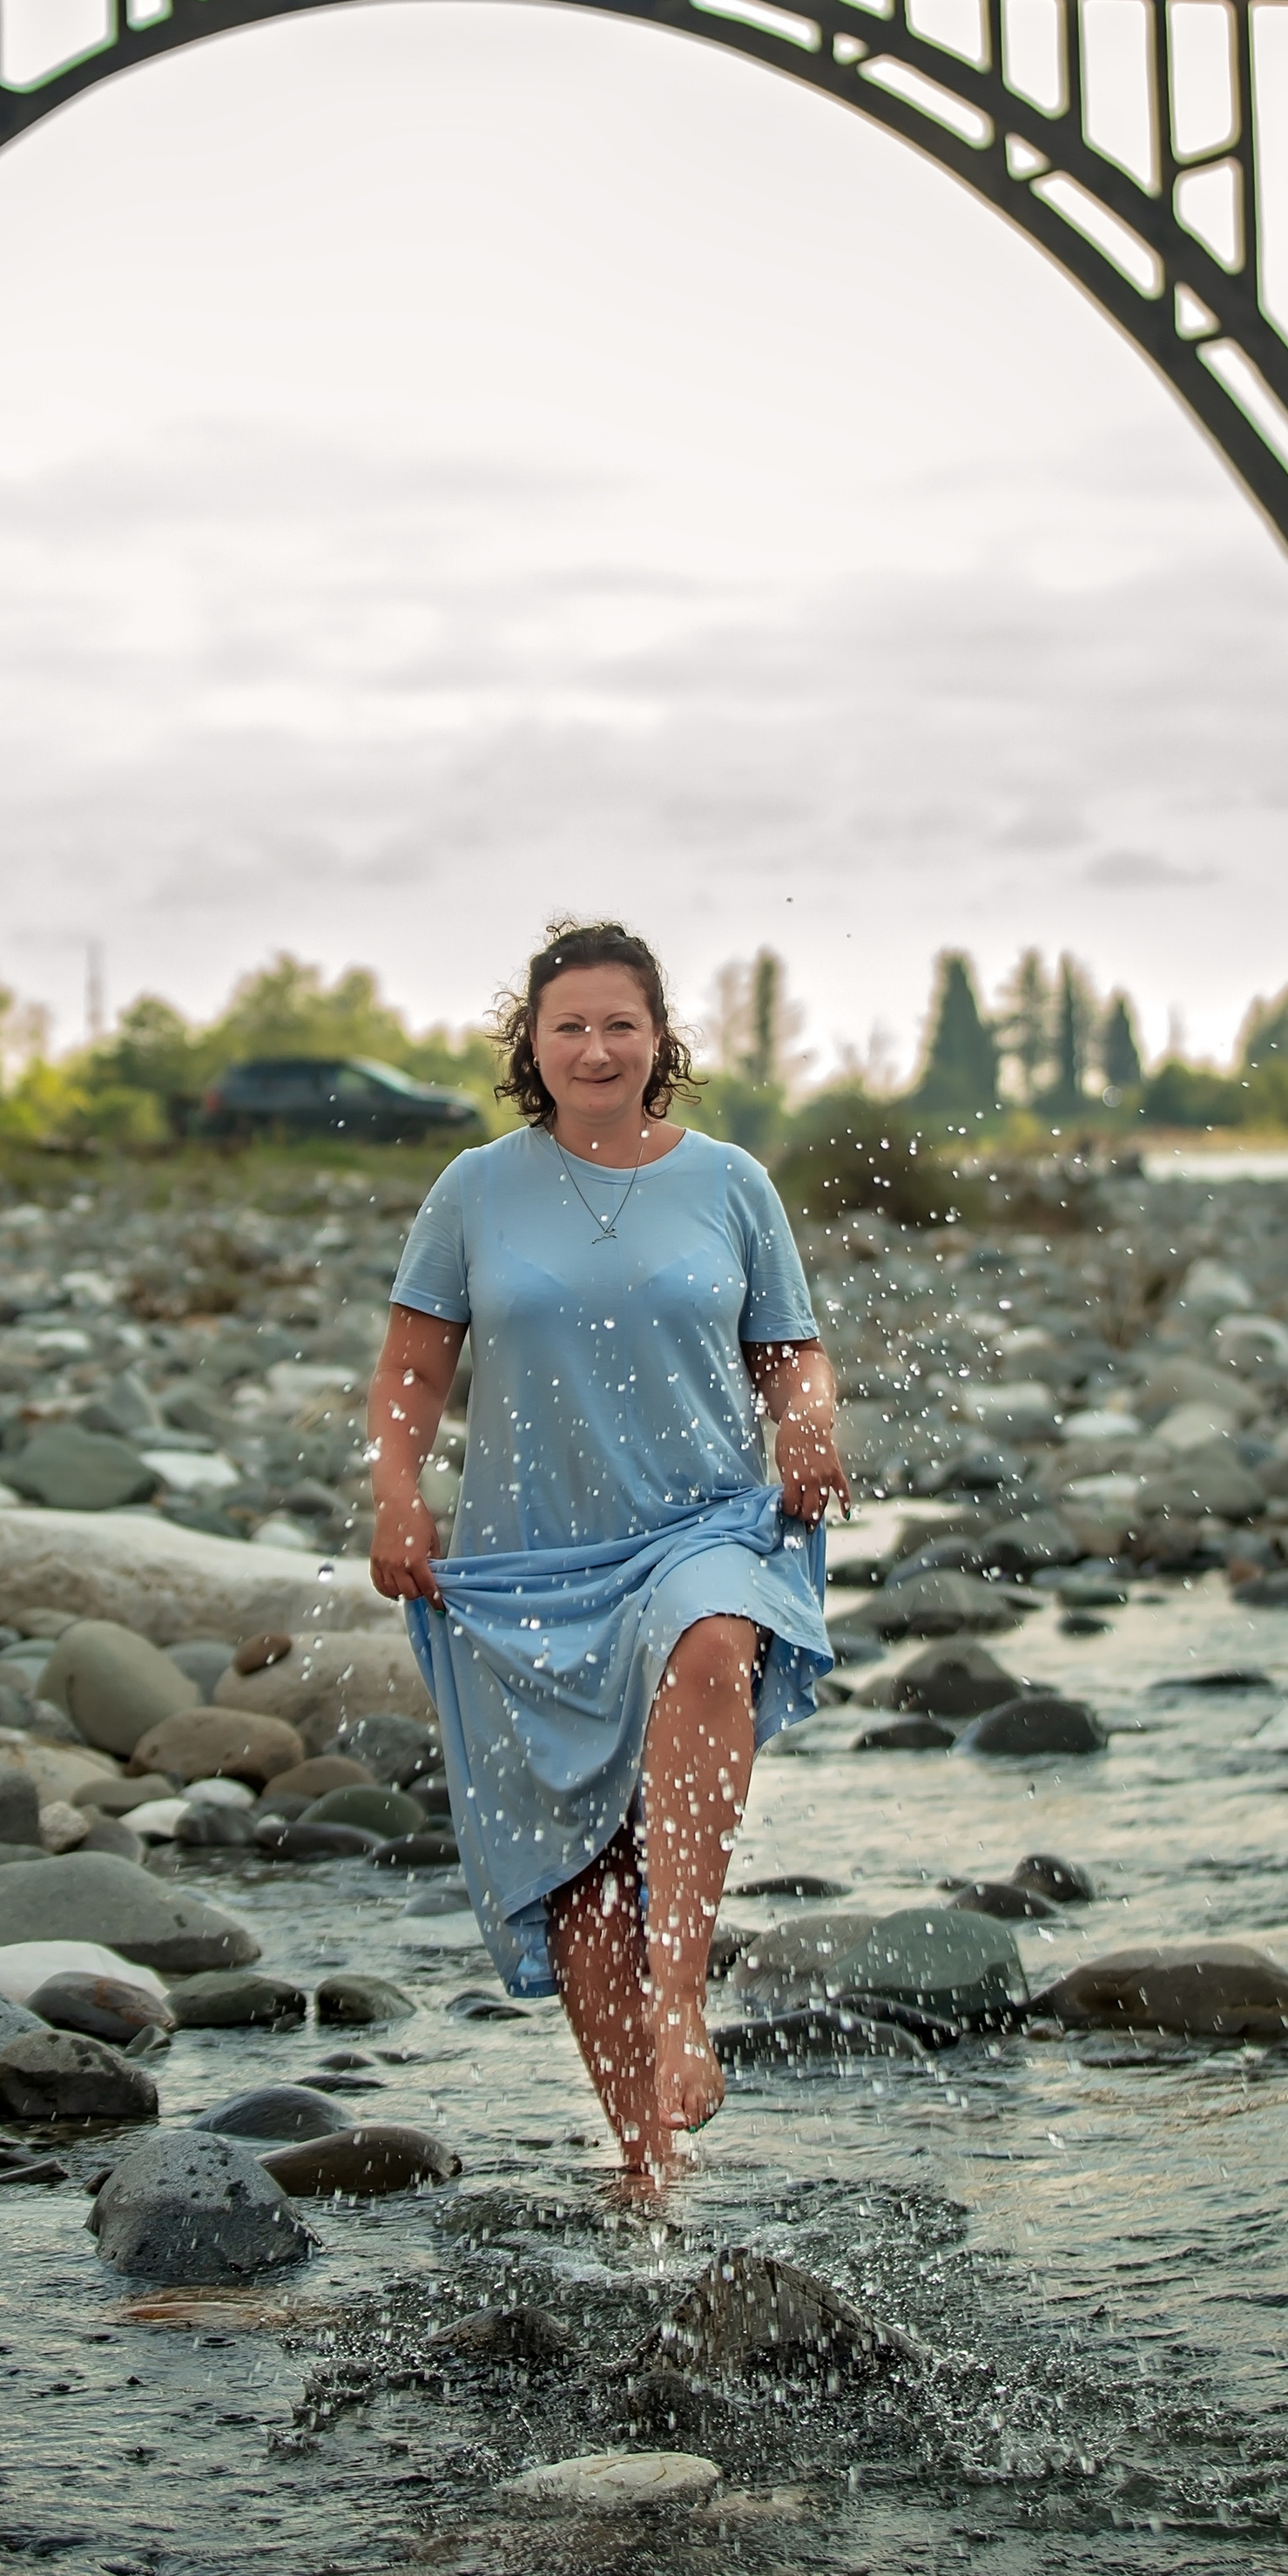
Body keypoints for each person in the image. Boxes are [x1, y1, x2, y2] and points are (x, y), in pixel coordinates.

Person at [368, 917, 849, 2183]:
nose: (595, 1047)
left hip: (700, 1521)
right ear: (532, 1042)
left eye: (618, 1024)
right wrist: (397, 1493)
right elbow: (415, 1368)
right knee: (584, 1866)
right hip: (531, 1561)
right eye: (568, 1025)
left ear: (658, 1038)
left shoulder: (733, 1182)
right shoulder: (474, 1188)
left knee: (714, 1641)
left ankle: (682, 1995)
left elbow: (790, 1354)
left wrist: (807, 1429)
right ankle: (648, 2171)